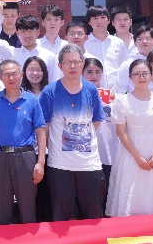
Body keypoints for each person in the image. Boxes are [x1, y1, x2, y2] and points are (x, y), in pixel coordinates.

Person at [41, 45, 107, 222]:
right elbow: (44, 126)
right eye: (68, 62)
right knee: (61, 218)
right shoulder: (50, 92)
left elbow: (97, 119)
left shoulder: (91, 90)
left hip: (89, 164)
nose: (72, 66)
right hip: (60, 165)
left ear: (82, 63)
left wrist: (79, 138)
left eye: (76, 61)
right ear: (60, 65)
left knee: (93, 218)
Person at [106, 60, 153, 217]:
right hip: (131, 154)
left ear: (151, 75)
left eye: (145, 73)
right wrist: (137, 157)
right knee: (132, 199)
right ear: (130, 77)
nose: (141, 77)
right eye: (136, 74)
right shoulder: (122, 101)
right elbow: (121, 132)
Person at [0, 60, 47, 225]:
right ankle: (4, 240)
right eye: (6, 74)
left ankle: (29, 239)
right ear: (0, 77)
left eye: (14, 74)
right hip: (0, 156)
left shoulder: (32, 100)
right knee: (2, 207)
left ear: (21, 75)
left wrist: (40, 162)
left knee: (28, 206)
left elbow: (41, 132)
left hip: (25, 156)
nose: (11, 78)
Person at [83, 57, 118, 190]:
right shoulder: (75, 94)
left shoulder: (111, 95)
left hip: (108, 150)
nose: (94, 76)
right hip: (86, 151)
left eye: (98, 72)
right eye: (89, 72)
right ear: (82, 73)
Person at [12, 14, 61, 84]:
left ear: (38, 32)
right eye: (23, 31)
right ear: (17, 34)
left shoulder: (49, 56)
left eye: (30, 31)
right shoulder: (12, 55)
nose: (27, 35)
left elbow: (54, 81)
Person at [115, 25, 153, 94]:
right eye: (140, 39)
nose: (144, 41)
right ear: (135, 43)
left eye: (148, 38)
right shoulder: (127, 65)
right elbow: (119, 92)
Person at [83, 5, 125, 72]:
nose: (99, 21)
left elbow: (124, 66)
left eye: (102, 17)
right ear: (89, 22)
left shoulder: (118, 42)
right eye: (95, 18)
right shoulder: (84, 43)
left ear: (108, 20)